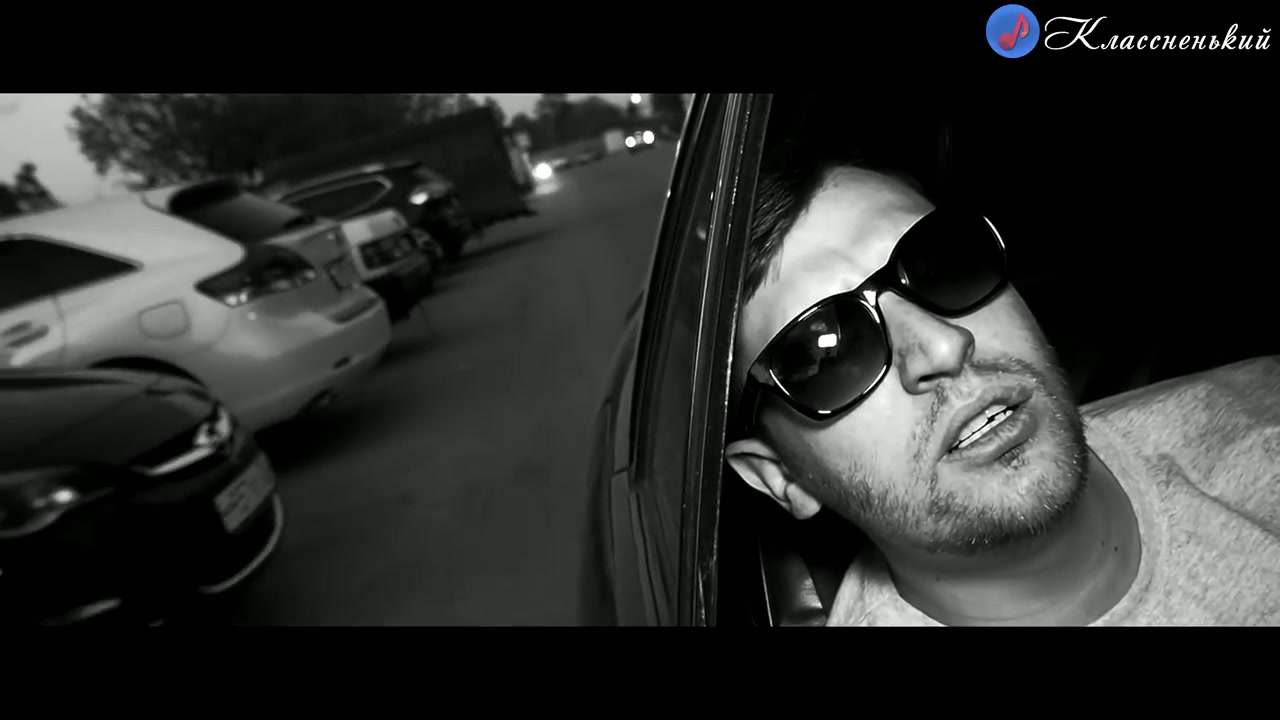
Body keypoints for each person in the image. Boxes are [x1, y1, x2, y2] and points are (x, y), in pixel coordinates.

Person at [723, 131, 1280, 626]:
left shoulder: (1259, 414)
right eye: (827, 352)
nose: (945, 345)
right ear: (780, 477)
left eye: (938, 264)